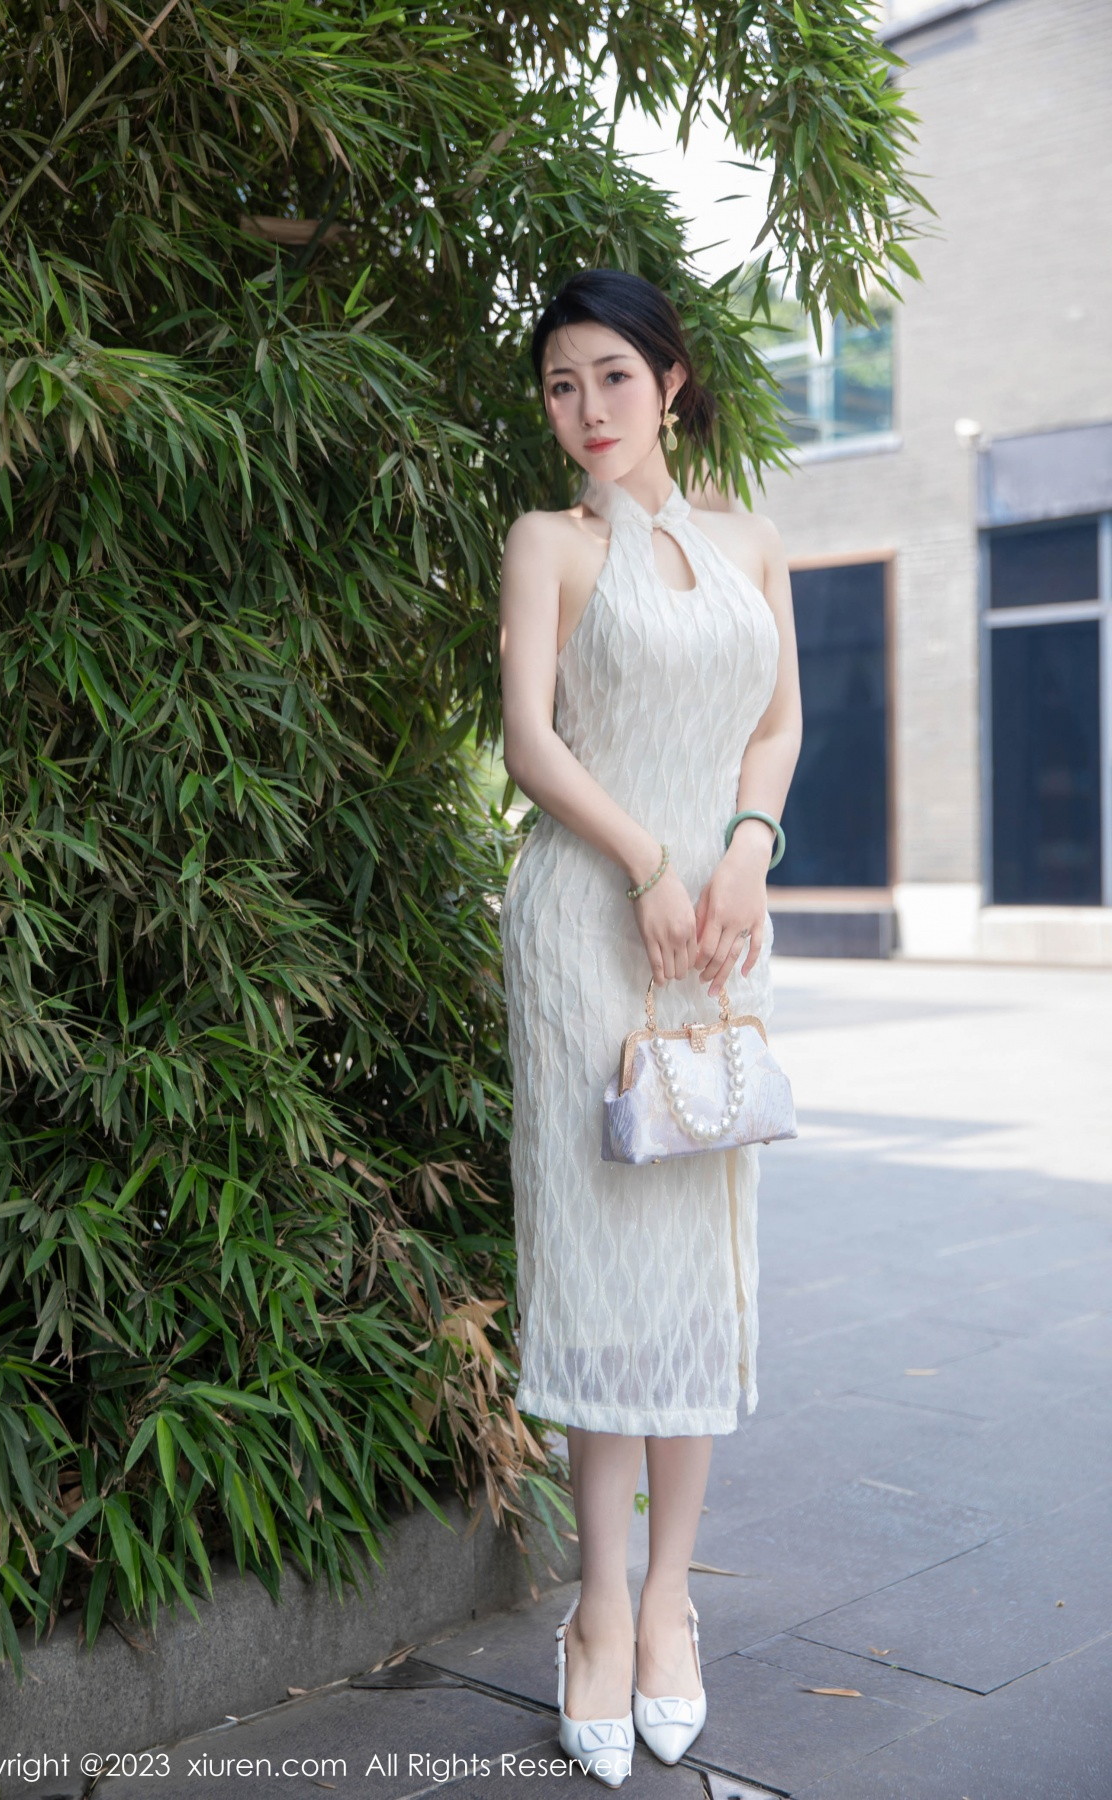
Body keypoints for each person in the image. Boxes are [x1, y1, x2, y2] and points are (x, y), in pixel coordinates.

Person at [497, 269, 802, 1786]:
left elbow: (778, 721)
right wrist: (648, 861)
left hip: (718, 934)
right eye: (562, 385)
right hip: (592, 927)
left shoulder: (751, 540)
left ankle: (672, 1602)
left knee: (693, 1270)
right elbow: (530, 739)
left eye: (613, 376)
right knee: (602, 1266)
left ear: (671, 382)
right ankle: (600, 1611)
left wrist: (745, 849)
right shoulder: (549, 543)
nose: (589, 409)